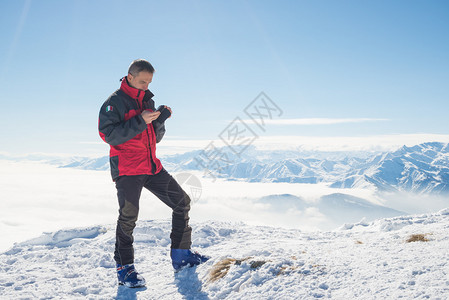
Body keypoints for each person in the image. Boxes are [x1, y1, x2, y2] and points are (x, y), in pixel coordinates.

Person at [98, 59, 208, 288]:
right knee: (128, 218)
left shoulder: (147, 100)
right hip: (128, 169)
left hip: (151, 166)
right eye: (142, 81)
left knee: (181, 202)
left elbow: (154, 138)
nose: (146, 85)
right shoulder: (113, 103)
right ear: (129, 76)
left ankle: (181, 255)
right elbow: (109, 136)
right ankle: (125, 268)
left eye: (149, 81)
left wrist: (161, 120)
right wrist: (140, 120)